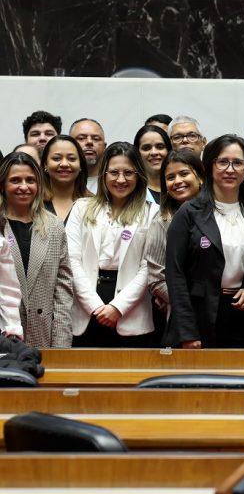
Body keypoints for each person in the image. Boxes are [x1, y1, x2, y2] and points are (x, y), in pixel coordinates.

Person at [165, 135, 244, 349]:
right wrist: (187, 331)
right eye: (222, 162)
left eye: (237, 163)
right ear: (209, 166)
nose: (230, 169)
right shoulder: (189, 212)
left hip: (243, 317)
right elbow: (175, 274)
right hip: (198, 317)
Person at [66, 142, 159, 347]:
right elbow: (71, 261)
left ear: (139, 175)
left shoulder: (152, 212)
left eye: (128, 172)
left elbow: (148, 266)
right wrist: (95, 306)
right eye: (114, 172)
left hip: (131, 312)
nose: (121, 179)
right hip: (86, 308)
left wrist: (117, 307)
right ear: (103, 175)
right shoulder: (81, 208)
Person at [0, 152, 73, 348]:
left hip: (44, 336)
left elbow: (63, 293)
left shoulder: (54, 226)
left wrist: (61, 346)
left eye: (30, 180)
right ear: (3, 185)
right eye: (15, 180)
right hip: (4, 335)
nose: (24, 187)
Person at [144, 150, 204, 327]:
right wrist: (183, 302)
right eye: (170, 177)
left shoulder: (219, 213)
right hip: (185, 317)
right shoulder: (162, 220)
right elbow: (157, 278)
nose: (178, 181)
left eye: (184, 173)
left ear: (200, 178)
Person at [41, 135, 91, 223]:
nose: (64, 164)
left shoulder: (94, 204)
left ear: (80, 165)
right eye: (56, 158)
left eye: (71, 159)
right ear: (45, 165)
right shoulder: (33, 202)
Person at [133, 124, 171, 203]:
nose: (154, 152)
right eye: (146, 148)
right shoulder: (131, 190)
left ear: (169, 150)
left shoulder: (179, 185)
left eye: (160, 147)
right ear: (137, 153)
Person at [70, 118, 106, 193]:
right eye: (81, 138)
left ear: (104, 147)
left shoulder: (115, 183)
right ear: (69, 144)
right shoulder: (59, 182)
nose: (89, 142)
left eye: (95, 139)